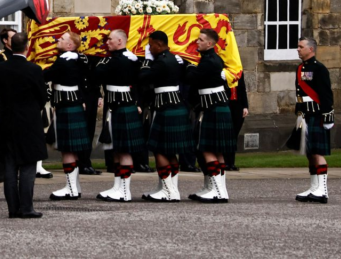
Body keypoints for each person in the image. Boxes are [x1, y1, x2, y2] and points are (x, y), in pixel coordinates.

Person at [0, 33, 47, 218]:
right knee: (27, 165)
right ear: (27, 46)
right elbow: (42, 97)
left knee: (10, 167)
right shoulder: (34, 69)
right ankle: (26, 208)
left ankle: (13, 208)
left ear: (10, 45)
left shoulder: (0, 69)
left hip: (7, 120)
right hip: (28, 122)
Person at [139, 30, 193, 202]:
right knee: (170, 151)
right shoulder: (174, 59)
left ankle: (169, 191)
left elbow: (143, 77)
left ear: (159, 44)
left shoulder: (161, 61)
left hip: (166, 106)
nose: (149, 47)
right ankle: (169, 188)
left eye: (151, 43)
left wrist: (147, 60)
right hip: (173, 104)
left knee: (159, 148)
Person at [94, 29, 145, 202]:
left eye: (110, 39)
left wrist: (101, 63)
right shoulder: (121, 58)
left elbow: (98, 75)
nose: (107, 42)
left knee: (123, 149)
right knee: (116, 148)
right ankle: (117, 186)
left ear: (120, 41)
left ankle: (124, 190)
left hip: (122, 106)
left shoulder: (122, 60)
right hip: (115, 106)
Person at [186, 28, 235, 203]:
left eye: (200, 40)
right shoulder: (211, 59)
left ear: (209, 43)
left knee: (207, 149)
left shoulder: (209, 61)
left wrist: (187, 64)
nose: (197, 42)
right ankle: (217, 189)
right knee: (217, 151)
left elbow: (193, 78)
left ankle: (218, 191)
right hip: (215, 107)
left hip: (213, 108)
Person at [43, 30, 92, 200]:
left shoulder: (65, 60)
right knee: (72, 149)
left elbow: (47, 75)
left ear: (70, 45)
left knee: (68, 149)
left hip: (67, 105)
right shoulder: (77, 59)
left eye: (62, 38)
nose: (59, 39)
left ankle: (70, 189)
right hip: (73, 103)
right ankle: (74, 186)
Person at [294, 37, 334, 204]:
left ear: (311, 49)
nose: (298, 49)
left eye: (301, 47)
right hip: (305, 115)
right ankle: (314, 187)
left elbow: (326, 94)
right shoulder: (301, 68)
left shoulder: (320, 69)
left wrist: (327, 116)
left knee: (317, 152)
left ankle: (322, 190)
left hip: (317, 114)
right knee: (310, 153)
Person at [225, 72, 249, 171]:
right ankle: (225, 162)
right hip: (227, 104)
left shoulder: (238, 72)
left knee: (234, 135)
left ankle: (231, 162)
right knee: (226, 135)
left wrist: (245, 106)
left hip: (237, 105)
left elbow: (242, 89)